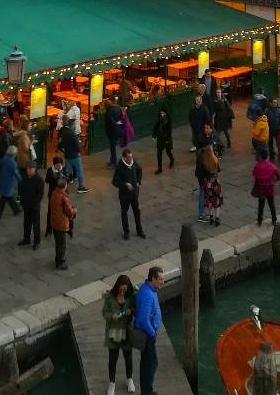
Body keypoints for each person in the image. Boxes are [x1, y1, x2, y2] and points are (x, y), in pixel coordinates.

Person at [103, 274, 136, 395]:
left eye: (125, 289)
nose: (122, 291)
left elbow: (137, 309)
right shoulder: (110, 298)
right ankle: (111, 383)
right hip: (113, 333)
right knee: (112, 359)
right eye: (120, 289)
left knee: (128, 357)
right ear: (117, 287)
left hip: (127, 331)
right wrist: (112, 316)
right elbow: (104, 313)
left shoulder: (132, 297)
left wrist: (131, 311)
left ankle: (129, 379)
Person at [133, 266, 163, 395]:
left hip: (148, 334)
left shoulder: (150, 289)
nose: (162, 281)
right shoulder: (147, 295)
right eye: (160, 279)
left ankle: (147, 391)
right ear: (153, 279)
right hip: (147, 335)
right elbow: (143, 319)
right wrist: (152, 333)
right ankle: (147, 392)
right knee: (149, 364)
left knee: (150, 363)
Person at [112, 147, 145, 240]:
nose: (131, 159)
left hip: (134, 194)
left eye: (131, 157)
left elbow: (140, 170)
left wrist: (138, 181)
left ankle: (139, 230)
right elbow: (115, 181)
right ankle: (126, 232)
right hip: (124, 195)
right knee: (124, 212)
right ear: (124, 158)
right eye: (129, 158)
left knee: (137, 212)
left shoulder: (134, 163)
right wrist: (125, 184)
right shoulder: (120, 167)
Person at [48, 178, 76, 270]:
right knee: (62, 245)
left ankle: (58, 259)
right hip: (61, 224)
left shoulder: (54, 193)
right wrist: (74, 210)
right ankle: (60, 263)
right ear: (65, 186)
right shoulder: (64, 196)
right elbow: (69, 212)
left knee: (58, 243)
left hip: (54, 222)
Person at [18, 161, 44, 249]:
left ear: (34, 169)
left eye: (29, 168)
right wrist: (22, 202)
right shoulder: (24, 178)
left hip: (34, 207)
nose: (27, 170)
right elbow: (21, 191)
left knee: (36, 225)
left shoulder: (39, 180)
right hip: (26, 205)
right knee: (26, 223)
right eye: (27, 168)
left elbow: (40, 195)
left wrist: (34, 203)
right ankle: (26, 239)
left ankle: (37, 242)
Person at [44, 156, 73, 237]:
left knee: (67, 211)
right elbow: (46, 180)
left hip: (64, 195)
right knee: (50, 213)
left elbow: (69, 180)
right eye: (57, 165)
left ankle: (69, 229)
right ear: (54, 165)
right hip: (53, 195)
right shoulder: (50, 170)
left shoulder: (64, 169)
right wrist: (54, 177)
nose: (59, 167)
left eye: (60, 165)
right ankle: (49, 230)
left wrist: (66, 176)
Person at [0, 145, 22, 219]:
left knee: (8, 197)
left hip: (2, 181)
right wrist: (21, 180)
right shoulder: (13, 163)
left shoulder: (3, 159)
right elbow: (16, 173)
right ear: (14, 154)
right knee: (5, 198)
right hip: (8, 183)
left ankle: (16, 209)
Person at [252, 148, 280, 226]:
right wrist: (274, 180)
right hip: (270, 188)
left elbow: (254, 174)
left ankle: (259, 220)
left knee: (261, 204)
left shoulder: (257, 165)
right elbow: (279, 176)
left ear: (261, 156)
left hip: (261, 188)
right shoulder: (272, 166)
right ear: (267, 156)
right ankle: (274, 220)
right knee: (271, 204)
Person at [57, 121, 87, 192]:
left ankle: (61, 185)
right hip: (75, 156)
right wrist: (79, 150)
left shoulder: (64, 134)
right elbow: (78, 146)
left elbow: (60, 145)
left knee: (67, 171)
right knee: (79, 171)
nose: (76, 126)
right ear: (72, 125)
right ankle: (81, 187)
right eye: (75, 124)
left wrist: (64, 151)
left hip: (67, 155)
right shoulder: (73, 135)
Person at [194, 137, 219, 223]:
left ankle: (203, 213)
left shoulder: (202, 153)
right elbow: (211, 169)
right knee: (203, 195)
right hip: (204, 179)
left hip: (204, 178)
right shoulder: (203, 156)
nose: (211, 146)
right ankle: (201, 215)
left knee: (204, 195)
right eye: (209, 145)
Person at [104, 99, 126, 168]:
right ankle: (112, 162)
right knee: (113, 147)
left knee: (113, 148)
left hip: (112, 132)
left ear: (106, 106)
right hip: (119, 130)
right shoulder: (117, 108)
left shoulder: (108, 112)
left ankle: (114, 164)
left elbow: (109, 122)